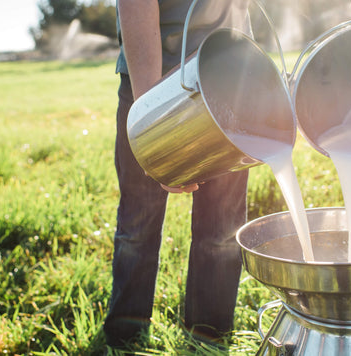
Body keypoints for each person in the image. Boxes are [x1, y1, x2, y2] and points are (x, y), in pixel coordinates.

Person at [103, 0, 252, 349]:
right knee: (138, 222)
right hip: (157, 77)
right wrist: (152, 121)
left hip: (229, 74)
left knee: (222, 228)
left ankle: (209, 333)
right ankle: (126, 334)